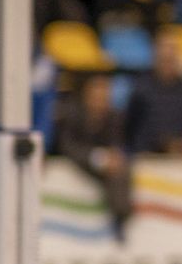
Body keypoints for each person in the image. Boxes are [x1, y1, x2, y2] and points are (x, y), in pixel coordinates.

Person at [57, 75, 133, 243]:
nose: (100, 101)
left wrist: (114, 156)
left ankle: (121, 219)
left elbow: (117, 143)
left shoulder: (113, 117)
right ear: (86, 95)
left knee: (121, 168)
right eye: (96, 96)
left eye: (104, 97)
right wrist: (99, 158)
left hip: (105, 174)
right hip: (75, 166)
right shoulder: (72, 114)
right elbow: (67, 146)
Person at [125, 34, 182, 155]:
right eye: (164, 59)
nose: (168, 62)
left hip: (175, 154)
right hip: (145, 153)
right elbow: (130, 125)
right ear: (155, 57)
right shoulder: (141, 87)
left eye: (171, 58)